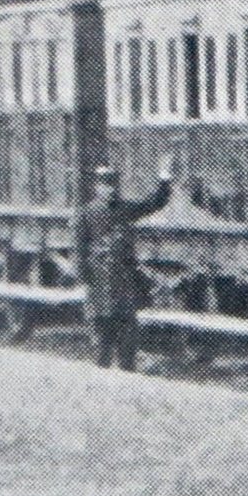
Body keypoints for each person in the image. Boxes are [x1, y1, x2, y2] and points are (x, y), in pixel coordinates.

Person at [80, 158, 172, 371]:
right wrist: (89, 281)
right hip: (100, 283)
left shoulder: (124, 209)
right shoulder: (86, 213)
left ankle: (127, 378)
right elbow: (79, 252)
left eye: (113, 185)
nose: (110, 190)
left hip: (123, 283)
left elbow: (154, 203)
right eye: (105, 185)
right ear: (97, 187)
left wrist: (164, 178)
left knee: (127, 339)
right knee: (102, 343)